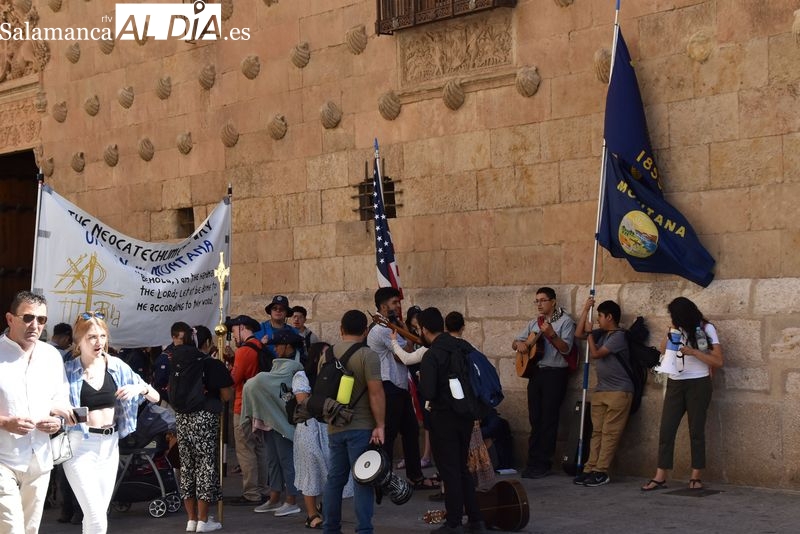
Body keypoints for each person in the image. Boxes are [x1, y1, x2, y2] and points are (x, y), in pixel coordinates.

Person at [62, 311, 160, 533]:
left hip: (110, 446)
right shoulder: (67, 371)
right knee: (95, 515)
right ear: (79, 340)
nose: (99, 342)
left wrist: (140, 388)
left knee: (96, 516)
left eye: (102, 336)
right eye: (92, 337)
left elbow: (155, 396)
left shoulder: (116, 366)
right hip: (80, 445)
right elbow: (50, 403)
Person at [0, 291, 73, 534]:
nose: (35, 325)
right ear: (10, 319)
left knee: (30, 529)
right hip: (3, 458)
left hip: (40, 457)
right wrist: (5, 422)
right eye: (28, 317)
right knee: (11, 528)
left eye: (41, 320)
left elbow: (61, 398)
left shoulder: (51, 356)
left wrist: (56, 420)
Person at [641, 297, 724, 492]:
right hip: (676, 382)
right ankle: (660, 475)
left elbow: (718, 361)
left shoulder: (706, 329)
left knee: (696, 430)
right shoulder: (675, 328)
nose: (672, 319)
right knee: (667, 429)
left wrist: (693, 352)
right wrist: (669, 332)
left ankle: (696, 475)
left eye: (674, 316)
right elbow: (663, 351)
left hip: (699, 382)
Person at [417, 307, 486, 534]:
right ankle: (475, 518)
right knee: (462, 468)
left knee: (449, 470)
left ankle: (454, 521)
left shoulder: (432, 355)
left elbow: (428, 391)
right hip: (465, 415)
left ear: (424, 329)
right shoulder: (462, 346)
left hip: (443, 417)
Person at [367, 288, 437, 490]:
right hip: (388, 387)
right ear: (383, 306)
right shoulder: (381, 329)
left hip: (400, 385)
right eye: (394, 302)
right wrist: (408, 335)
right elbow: (403, 354)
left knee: (411, 431)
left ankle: (415, 477)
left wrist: (403, 328)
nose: (398, 306)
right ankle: (383, 481)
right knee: (387, 437)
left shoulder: (392, 325)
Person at [323, 310, 385, 534]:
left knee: (334, 480)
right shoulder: (368, 355)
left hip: (334, 424)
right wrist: (380, 425)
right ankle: (364, 529)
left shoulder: (328, 354)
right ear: (366, 331)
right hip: (361, 425)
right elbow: (376, 392)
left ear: (341, 329)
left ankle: (330, 528)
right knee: (363, 479)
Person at [170, 323, 233, 532]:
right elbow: (226, 395)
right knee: (206, 466)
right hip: (205, 417)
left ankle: (191, 519)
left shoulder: (178, 362)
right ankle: (204, 520)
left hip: (182, 418)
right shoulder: (211, 364)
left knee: (187, 467)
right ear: (207, 342)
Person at [511, 287, 576, 478]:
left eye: (543, 300)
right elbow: (516, 342)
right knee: (535, 418)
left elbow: (566, 349)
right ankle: (532, 461)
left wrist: (551, 334)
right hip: (536, 373)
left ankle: (544, 463)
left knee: (549, 419)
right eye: (537, 301)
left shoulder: (565, 322)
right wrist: (520, 345)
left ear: (553, 301)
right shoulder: (534, 323)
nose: (539, 304)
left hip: (555, 374)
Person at [241, 330, 305, 517]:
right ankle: (275, 497)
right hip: (271, 420)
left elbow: (270, 386)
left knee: (286, 461)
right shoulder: (277, 367)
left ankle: (291, 500)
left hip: (284, 421)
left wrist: (258, 381)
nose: (275, 348)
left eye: (278, 345)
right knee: (272, 461)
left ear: (288, 347)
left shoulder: (295, 367)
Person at [573, 298, 633, 487]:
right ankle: (590, 468)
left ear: (610, 317)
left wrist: (591, 334)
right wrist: (585, 310)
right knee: (597, 432)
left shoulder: (618, 336)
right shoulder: (601, 333)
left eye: (600, 316)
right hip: (601, 389)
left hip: (619, 391)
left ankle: (602, 471)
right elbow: (579, 333)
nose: (598, 319)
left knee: (610, 433)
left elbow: (597, 354)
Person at [225, 314, 268, 506]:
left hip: (243, 405)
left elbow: (233, 380)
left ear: (242, 328)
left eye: (234, 331)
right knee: (259, 448)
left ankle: (251, 492)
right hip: (259, 405)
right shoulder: (259, 346)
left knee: (245, 449)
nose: (233, 335)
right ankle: (262, 488)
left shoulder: (244, 351)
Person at [255, 295, 301, 361]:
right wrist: (261, 345)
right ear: (270, 311)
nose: (278, 310)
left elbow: (300, 355)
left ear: (286, 313)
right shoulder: (259, 329)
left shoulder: (293, 332)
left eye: (282, 309)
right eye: (274, 308)